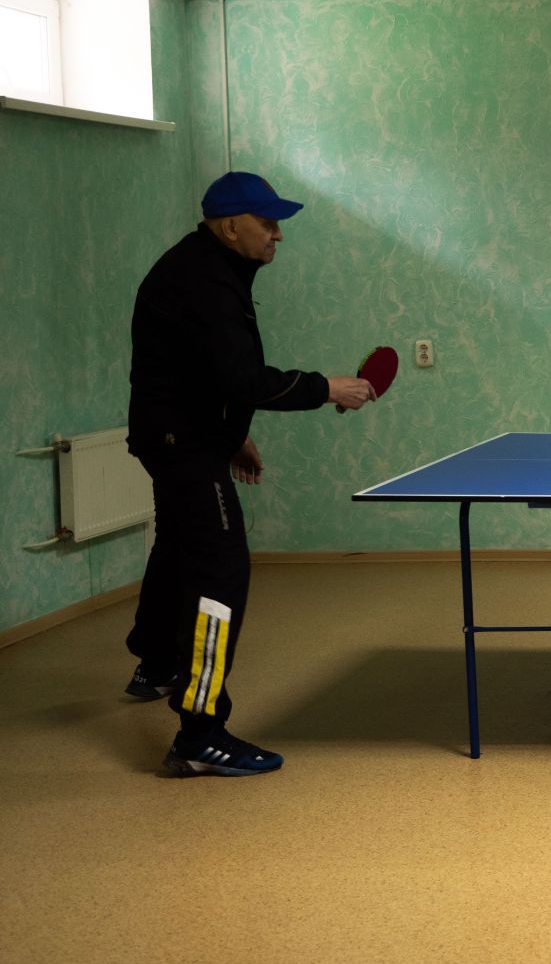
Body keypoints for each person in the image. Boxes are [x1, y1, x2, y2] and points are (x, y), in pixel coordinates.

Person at [124, 171, 374, 776]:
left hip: (176, 434)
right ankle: (200, 733)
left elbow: (198, 371)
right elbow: (243, 378)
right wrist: (326, 387)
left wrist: (232, 434)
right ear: (230, 225)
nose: (278, 235)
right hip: (184, 443)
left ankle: (155, 661)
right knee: (220, 571)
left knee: (181, 545)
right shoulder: (206, 283)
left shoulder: (208, 267)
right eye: (268, 223)